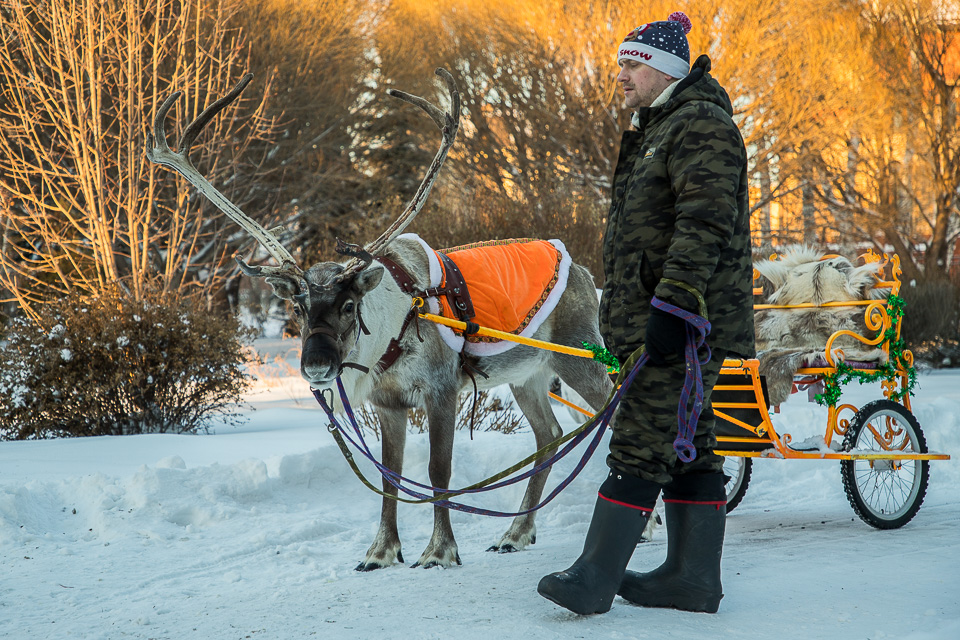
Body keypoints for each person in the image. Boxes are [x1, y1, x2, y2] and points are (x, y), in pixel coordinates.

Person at [537, 11, 755, 616]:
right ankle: (691, 579)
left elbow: (704, 222)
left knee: (640, 436)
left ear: (664, 70)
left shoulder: (700, 124)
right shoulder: (661, 127)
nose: (622, 76)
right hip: (665, 320)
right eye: (621, 65)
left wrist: (673, 305)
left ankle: (593, 578)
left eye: (633, 65)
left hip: (684, 324)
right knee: (691, 444)